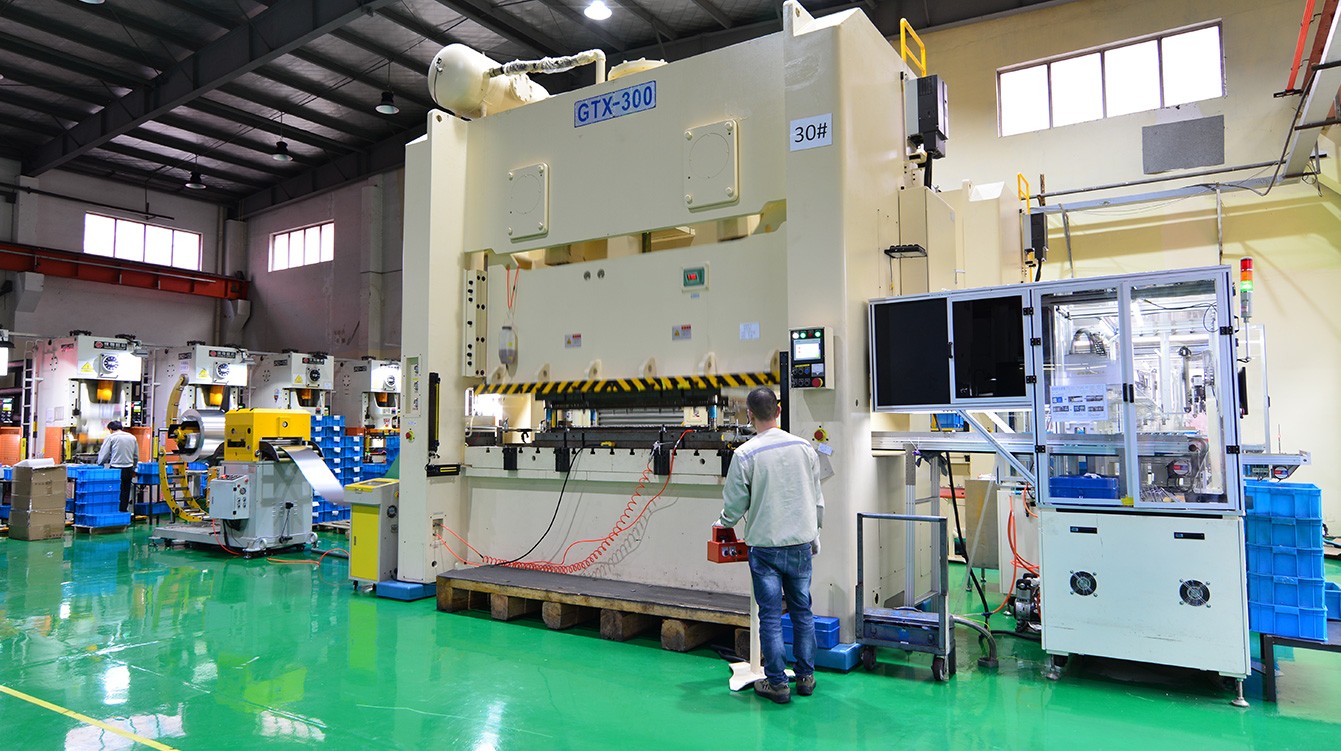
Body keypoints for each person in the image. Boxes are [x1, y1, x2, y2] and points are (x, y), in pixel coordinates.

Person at [717, 386, 824, 704]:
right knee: (802, 611)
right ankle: (805, 677)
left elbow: (734, 505)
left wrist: (723, 522)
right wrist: (814, 533)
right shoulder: (805, 448)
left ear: (749, 415)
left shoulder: (745, 454)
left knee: (771, 616)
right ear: (778, 410)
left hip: (764, 548)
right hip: (801, 543)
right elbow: (817, 498)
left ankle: (777, 683)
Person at [96, 421, 139, 514]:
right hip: (128, 468)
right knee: (125, 491)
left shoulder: (111, 437)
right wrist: (134, 467)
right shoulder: (132, 437)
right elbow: (136, 455)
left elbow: (104, 454)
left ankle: (114, 512)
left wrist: (100, 464)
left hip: (115, 469)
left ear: (111, 429)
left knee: (114, 491)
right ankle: (123, 511)